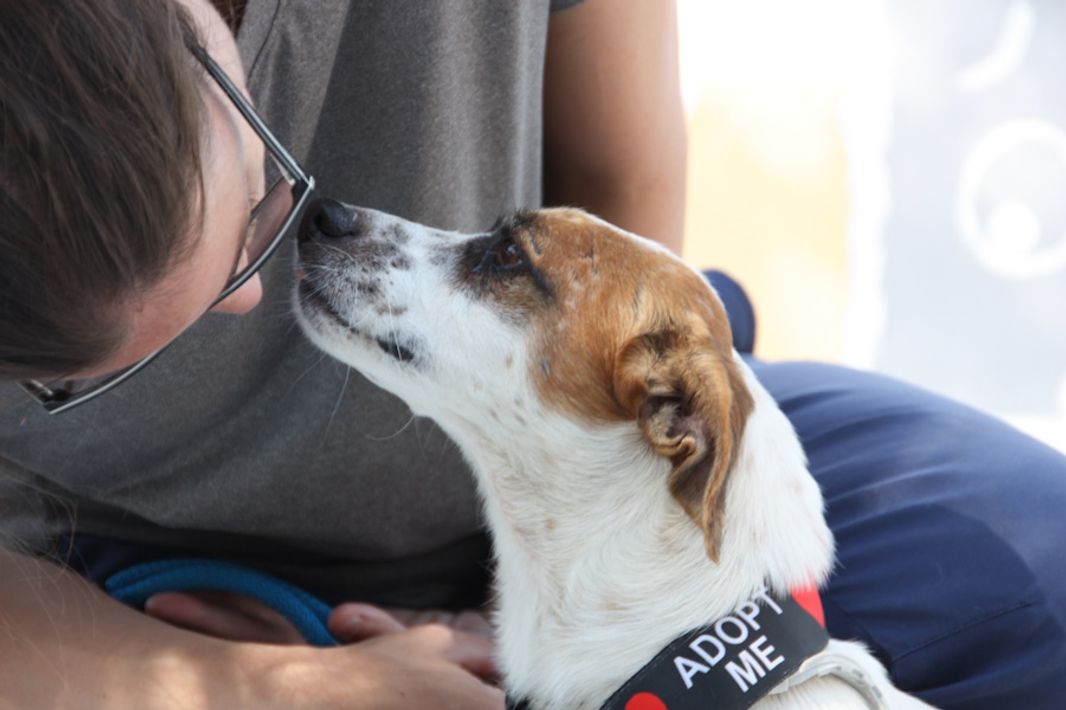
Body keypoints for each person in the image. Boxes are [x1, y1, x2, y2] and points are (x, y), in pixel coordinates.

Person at [0, 1, 1063, 709]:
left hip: (618, 480)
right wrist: (267, 687)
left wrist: (559, 581)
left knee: (1039, 562)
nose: (250, 295)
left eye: (245, 201)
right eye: (83, 375)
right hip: (157, 611)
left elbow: (621, 195)